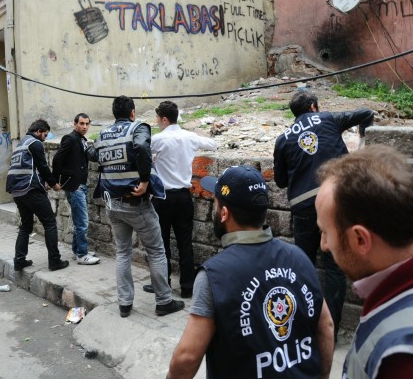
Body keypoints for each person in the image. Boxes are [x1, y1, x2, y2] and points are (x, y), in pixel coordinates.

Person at [167, 166, 334, 378]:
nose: (215, 210)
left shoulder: (214, 275)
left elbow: (187, 357)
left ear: (224, 214)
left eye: (216, 205)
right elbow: (326, 326)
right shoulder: (299, 257)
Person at [273, 89, 374, 340]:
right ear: (314, 107)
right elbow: (366, 112)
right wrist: (362, 141)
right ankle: (331, 331)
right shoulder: (329, 119)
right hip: (335, 200)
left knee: (303, 266)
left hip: (303, 206)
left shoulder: (283, 138)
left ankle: (303, 325)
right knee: (334, 269)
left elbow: (281, 181)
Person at [316, 145, 413, 378]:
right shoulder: (392, 292)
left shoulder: (400, 361)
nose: (324, 245)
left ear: (360, 239)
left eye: (326, 232)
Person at [87, 95, 184, 318]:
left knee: (122, 253)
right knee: (157, 251)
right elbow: (141, 146)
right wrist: (144, 181)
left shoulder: (103, 134)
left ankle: (124, 304)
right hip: (136, 203)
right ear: (132, 113)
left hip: (113, 204)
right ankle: (164, 301)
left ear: (114, 114)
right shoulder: (137, 129)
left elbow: (92, 154)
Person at [142, 101, 217, 298]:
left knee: (162, 243)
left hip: (163, 197)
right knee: (185, 243)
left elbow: (140, 152)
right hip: (184, 196)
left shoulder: (157, 140)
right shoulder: (189, 136)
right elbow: (213, 144)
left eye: (158, 119)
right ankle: (187, 287)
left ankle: (162, 284)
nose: (157, 122)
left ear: (164, 119)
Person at [6, 119, 69, 272]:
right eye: (45, 135)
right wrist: (54, 184)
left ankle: (19, 261)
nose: (45, 139)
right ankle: (54, 261)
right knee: (50, 223)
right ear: (38, 131)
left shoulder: (21, 144)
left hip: (17, 191)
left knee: (26, 226)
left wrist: (42, 183)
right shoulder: (35, 143)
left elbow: (29, 168)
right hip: (30, 190)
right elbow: (42, 166)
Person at [52, 113, 100, 265]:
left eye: (87, 124)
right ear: (75, 124)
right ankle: (82, 254)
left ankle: (77, 250)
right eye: (81, 123)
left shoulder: (81, 139)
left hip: (81, 184)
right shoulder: (70, 138)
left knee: (78, 220)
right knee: (82, 222)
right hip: (75, 185)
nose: (85, 127)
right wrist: (55, 181)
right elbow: (57, 159)